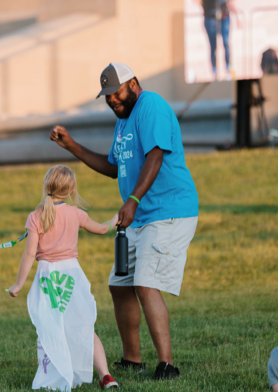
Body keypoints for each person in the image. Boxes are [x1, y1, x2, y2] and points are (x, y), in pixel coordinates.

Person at [49, 63, 199, 379]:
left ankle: (167, 365)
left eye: (115, 93)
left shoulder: (152, 106)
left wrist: (132, 200)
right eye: (106, 96)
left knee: (145, 283)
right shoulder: (123, 122)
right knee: (119, 284)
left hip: (168, 212)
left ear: (132, 83)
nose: (112, 100)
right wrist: (72, 146)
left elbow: (156, 156)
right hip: (139, 216)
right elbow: (113, 166)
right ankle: (132, 359)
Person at [8, 165, 119, 391]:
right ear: (71, 190)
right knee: (84, 326)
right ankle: (106, 375)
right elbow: (101, 229)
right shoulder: (76, 213)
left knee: (51, 327)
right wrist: (114, 221)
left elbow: (30, 253)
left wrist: (19, 284)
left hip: (48, 277)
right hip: (72, 276)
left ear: (46, 185)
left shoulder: (36, 216)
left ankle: (55, 376)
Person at [196, 0, 240, 79]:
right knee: (213, 46)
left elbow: (231, 0)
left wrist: (237, 17)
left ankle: (228, 69)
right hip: (210, 18)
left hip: (224, 17)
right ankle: (214, 71)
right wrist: (203, 2)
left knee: (226, 43)